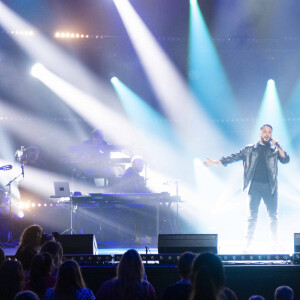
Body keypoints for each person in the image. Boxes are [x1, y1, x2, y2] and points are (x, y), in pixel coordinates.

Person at [204, 125, 290, 248]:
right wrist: (214, 162)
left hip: (270, 187)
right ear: (260, 133)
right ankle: (248, 242)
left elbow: (285, 159)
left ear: (271, 134)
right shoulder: (249, 149)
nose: (267, 134)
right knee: (251, 216)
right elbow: (233, 157)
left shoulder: (274, 150)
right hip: (254, 187)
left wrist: (279, 147)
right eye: (264, 132)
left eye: (269, 132)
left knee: (273, 216)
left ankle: (275, 242)